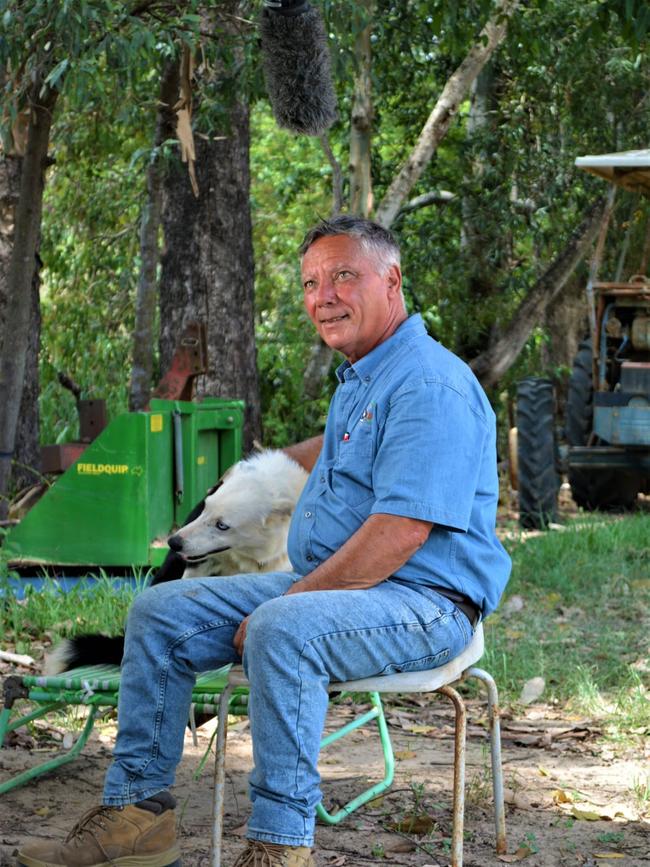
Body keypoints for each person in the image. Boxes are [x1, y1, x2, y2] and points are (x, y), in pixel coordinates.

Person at [17, 216, 511, 867]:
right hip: (347, 591)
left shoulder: (428, 383)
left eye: (343, 276)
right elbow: (336, 453)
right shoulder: (367, 374)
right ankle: (138, 816)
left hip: (426, 600)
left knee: (284, 627)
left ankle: (279, 844)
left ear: (391, 281)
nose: (323, 295)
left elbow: (399, 534)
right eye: (311, 282)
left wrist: (294, 598)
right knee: (160, 612)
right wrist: (256, 472)